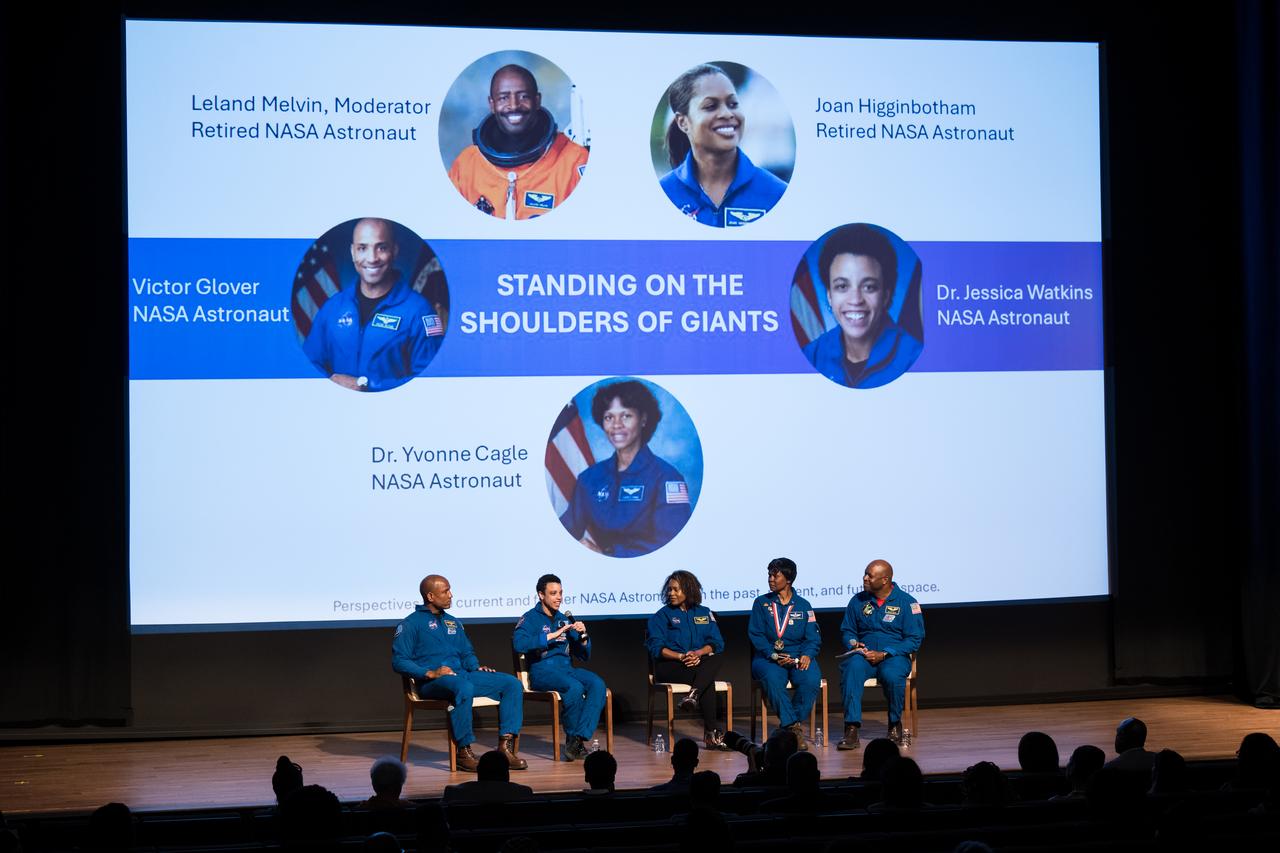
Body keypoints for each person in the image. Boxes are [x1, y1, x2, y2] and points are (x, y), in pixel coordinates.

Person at [392, 574, 528, 773]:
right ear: (430, 596)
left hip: (464, 676)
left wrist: (475, 667)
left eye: (450, 590)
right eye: (445, 591)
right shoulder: (410, 624)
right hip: (432, 683)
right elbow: (399, 661)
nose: (451, 595)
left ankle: (504, 748)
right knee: (463, 687)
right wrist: (429, 673)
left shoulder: (453, 622)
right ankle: (463, 752)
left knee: (511, 684)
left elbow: (466, 652)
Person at [302, 218, 444, 392]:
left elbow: (430, 381)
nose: (372, 258)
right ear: (353, 252)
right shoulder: (333, 307)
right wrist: (330, 381)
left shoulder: (419, 311)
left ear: (394, 251)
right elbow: (308, 364)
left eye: (381, 248)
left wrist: (368, 386)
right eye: (362, 248)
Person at [558, 380, 693, 557]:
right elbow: (565, 531)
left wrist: (607, 554)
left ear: (643, 419)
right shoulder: (589, 478)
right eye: (609, 417)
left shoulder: (667, 478)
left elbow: (672, 546)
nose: (616, 425)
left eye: (626, 416)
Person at [448, 64, 589, 219]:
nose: (514, 105)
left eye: (523, 96)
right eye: (504, 98)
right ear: (492, 104)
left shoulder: (573, 162)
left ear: (537, 100)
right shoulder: (466, 165)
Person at [659, 64, 787, 227]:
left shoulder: (776, 193)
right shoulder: (665, 193)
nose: (727, 113)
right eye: (710, 106)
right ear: (683, 122)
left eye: (733, 104)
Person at [802, 223, 923, 389]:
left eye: (869, 287)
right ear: (830, 296)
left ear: (885, 295)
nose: (856, 300)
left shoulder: (913, 357)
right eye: (842, 286)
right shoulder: (812, 355)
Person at [512, 574, 608, 761]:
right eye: (553, 593)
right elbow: (519, 644)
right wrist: (551, 636)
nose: (559, 598)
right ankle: (574, 739)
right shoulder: (529, 618)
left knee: (597, 684)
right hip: (542, 671)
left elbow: (583, 655)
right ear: (541, 595)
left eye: (561, 593)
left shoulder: (564, 619)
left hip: (566, 669)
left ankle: (578, 738)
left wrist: (584, 637)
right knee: (574, 687)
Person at [836, 559, 924, 750]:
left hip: (893, 656)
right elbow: (847, 631)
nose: (864, 578)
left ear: (885, 580)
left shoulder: (907, 602)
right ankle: (851, 729)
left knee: (892, 675)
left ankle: (894, 724)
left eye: (870, 575)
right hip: (864, 655)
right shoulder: (858, 600)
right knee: (851, 668)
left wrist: (885, 653)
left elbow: (914, 639)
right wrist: (853, 643)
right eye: (865, 574)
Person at [646, 571, 729, 748]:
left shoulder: (704, 612)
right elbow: (656, 648)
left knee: (716, 657)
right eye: (669, 589)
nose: (671, 593)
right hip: (670, 665)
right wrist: (681, 656)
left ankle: (693, 695)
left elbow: (717, 643)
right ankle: (712, 734)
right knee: (706, 679)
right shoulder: (661, 615)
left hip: (697, 663)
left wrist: (698, 653)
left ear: (689, 590)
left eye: (676, 589)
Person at [748, 557, 821, 750]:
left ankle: (788, 728)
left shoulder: (804, 605)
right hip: (768, 657)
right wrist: (772, 654)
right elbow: (756, 635)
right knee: (772, 679)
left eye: (775, 575)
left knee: (811, 680)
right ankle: (793, 728)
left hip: (797, 654)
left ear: (788, 579)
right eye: (769, 575)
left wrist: (807, 654)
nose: (770, 579)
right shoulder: (761, 603)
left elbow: (813, 637)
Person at [443, 750, 534, 803]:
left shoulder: (454, 792)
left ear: (478, 770)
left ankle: (504, 744)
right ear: (507, 772)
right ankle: (463, 750)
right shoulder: (524, 793)